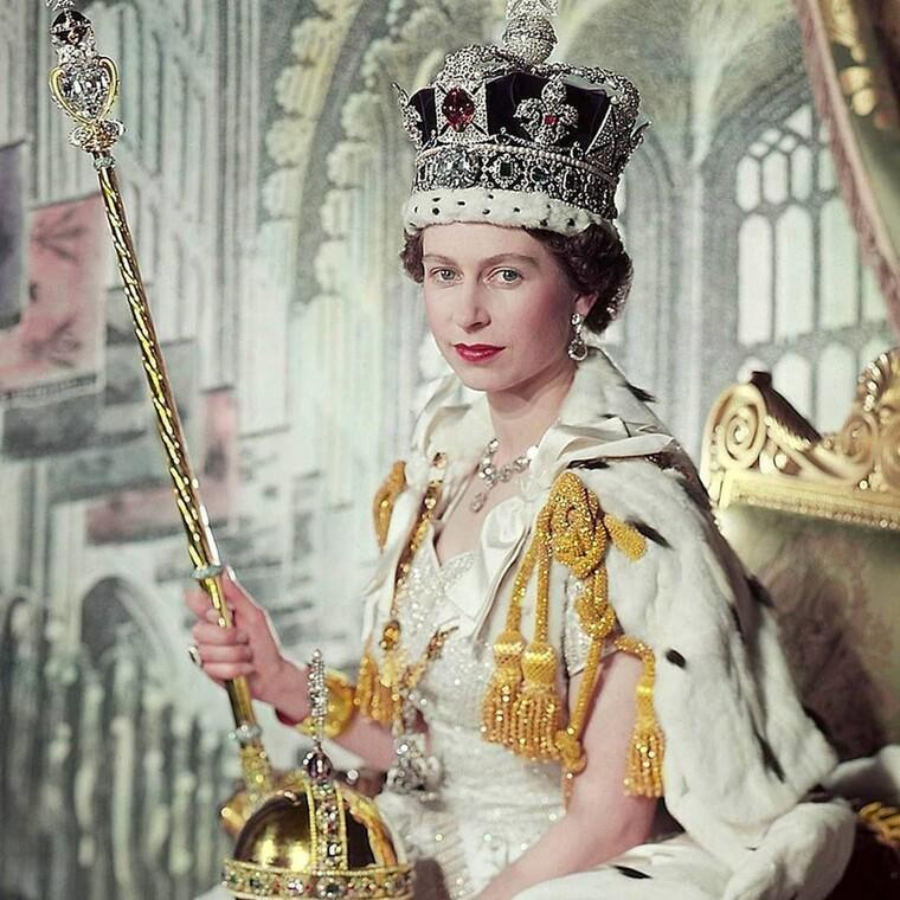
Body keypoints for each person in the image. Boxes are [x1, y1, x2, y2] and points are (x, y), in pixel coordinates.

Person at [186, 4, 856, 898]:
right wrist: (275, 676)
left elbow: (607, 822)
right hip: (423, 847)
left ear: (582, 291)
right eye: (444, 273)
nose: (467, 313)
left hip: (557, 877)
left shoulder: (626, 517)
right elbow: (430, 762)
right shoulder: (439, 474)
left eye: (507, 273)